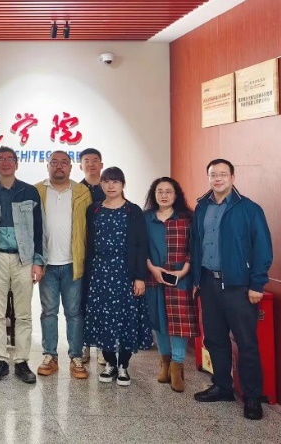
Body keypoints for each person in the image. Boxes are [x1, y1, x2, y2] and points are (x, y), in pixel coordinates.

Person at [192, 159, 272, 421]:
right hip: (208, 283)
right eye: (213, 174)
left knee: (247, 343)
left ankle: (252, 396)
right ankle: (222, 387)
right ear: (208, 178)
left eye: (223, 174)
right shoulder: (202, 207)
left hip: (239, 286)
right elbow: (196, 244)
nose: (218, 179)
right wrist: (196, 280)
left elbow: (262, 248)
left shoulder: (249, 209)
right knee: (214, 339)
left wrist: (257, 284)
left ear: (233, 177)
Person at [0, 146, 43, 384]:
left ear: (17, 163)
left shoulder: (30, 192)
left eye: (9, 159)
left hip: (24, 259)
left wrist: (38, 261)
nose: (5, 162)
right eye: (0, 159)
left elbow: (39, 228)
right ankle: (1, 360)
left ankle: (22, 361)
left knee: (23, 314)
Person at [84, 167, 153, 387]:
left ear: (123, 184)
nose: (110, 186)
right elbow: (89, 242)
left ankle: (123, 365)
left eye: (115, 181)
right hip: (100, 272)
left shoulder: (133, 211)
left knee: (126, 319)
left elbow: (141, 245)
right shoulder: (94, 209)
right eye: (106, 181)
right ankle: (110, 363)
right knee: (103, 318)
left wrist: (139, 277)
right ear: (101, 184)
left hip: (125, 272)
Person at [35, 151, 92, 380]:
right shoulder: (37, 190)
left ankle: (76, 357)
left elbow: (90, 227)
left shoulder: (82, 192)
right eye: (54, 162)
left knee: (74, 313)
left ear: (71, 167)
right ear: (47, 165)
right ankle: (50, 356)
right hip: (47, 264)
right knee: (48, 312)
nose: (59, 166)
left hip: (73, 263)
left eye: (64, 163)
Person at [143, 177, 198, 393]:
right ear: (154, 194)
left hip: (180, 277)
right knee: (159, 322)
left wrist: (184, 270)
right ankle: (164, 364)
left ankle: (177, 366)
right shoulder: (146, 218)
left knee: (179, 323)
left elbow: (196, 248)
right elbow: (139, 247)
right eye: (160, 191)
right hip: (153, 277)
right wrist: (151, 268)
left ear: (176, 195)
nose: (164, 195)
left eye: (168, 191)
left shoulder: (187, 218)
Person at [79, 147, 105, 366]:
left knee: (105, 301)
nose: (91, 164)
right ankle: (84, 345)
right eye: (86, 161)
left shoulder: (110, 188)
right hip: (83, 254)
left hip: (106, 255)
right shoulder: (76, 190)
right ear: (81, 165)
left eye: (95, 160)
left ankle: (105, 347)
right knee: (83, 302)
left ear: (101, 164)